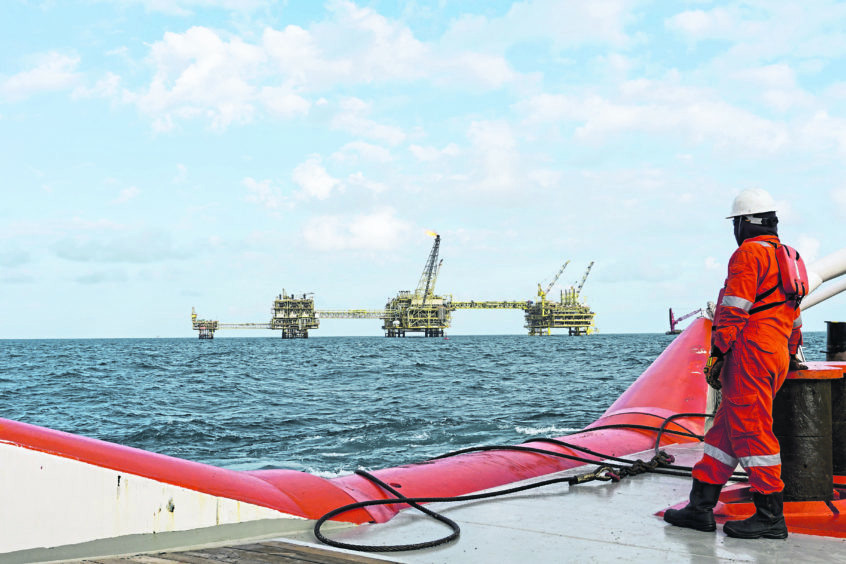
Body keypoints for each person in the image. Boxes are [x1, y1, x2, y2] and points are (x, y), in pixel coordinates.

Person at [664, 188, 804, 539]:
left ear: (744, 223)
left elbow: (733, 310)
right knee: (724, 434)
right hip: (776, 356)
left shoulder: (747, 254)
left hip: (750, 356)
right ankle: (700, 508)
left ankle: (771, 517)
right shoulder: (789, 256)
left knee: (753, 434)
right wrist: (790, 352)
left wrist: (717, 354)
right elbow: (795, 318)